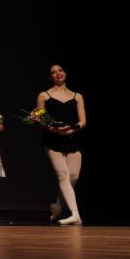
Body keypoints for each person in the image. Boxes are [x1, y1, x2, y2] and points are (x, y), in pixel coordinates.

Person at [38, 64, 86, 225]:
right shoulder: (44, 96)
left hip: (72, 138)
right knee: (62, 175)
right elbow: (40, 120)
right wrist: (54, 129)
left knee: (73, 176)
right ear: (49, 77)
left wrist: (73, 129)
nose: (58, 74)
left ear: (65, 73)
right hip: (53, 139)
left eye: (60, 70)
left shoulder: (77, 96)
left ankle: (57, 206)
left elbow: (83, 120)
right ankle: (75, 214)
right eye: (53, 72)